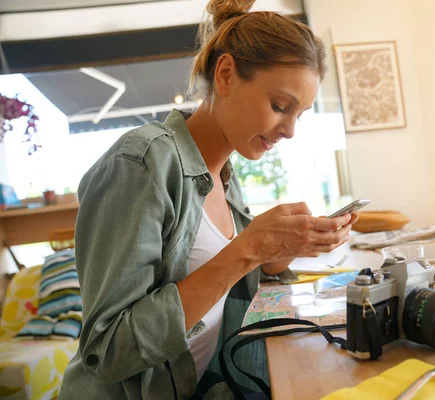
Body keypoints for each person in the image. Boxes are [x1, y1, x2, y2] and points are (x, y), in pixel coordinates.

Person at [59, 0, 358, 399]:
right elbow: (108, 350)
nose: (289, 130)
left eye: (298, 114)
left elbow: (213, 281)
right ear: (226, 75)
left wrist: (279, 253)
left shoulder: (224, 177)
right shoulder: (141, 164)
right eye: (279, 106)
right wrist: (247, 251)